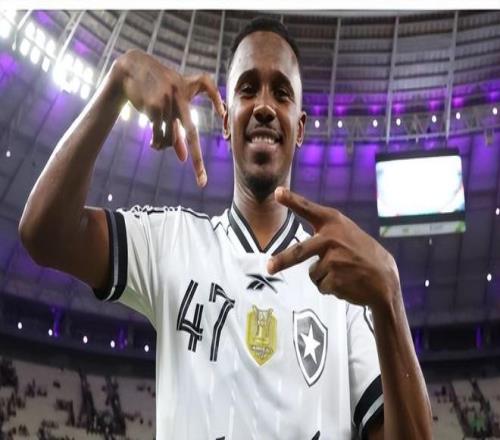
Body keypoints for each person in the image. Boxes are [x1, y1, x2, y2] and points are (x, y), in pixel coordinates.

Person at [19, 16, 432, 439]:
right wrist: (117, 82)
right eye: (248, 89)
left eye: (282, 93)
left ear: (300, 128)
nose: (264, 106)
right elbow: (45, 233)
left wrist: (389, 296)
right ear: (225, 120)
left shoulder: (343, 286)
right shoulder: (171, 242)